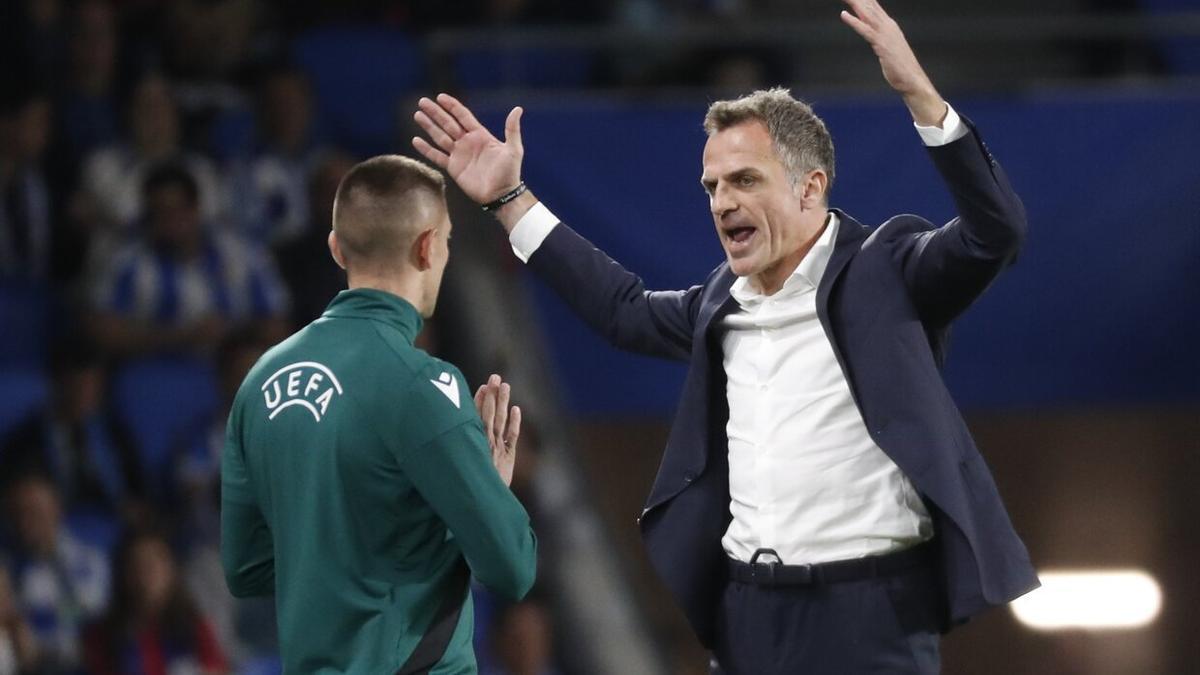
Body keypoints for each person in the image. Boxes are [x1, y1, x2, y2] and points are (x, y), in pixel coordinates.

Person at [411, 0, 1038, 671]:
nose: (721, 202)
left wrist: (921, 96)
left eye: (744, 180)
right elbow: (622, 308)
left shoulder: (887, 270)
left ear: (810, 189)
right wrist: (511, 202)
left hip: (872, 614)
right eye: (712, 185)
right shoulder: (719, 300)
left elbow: (993, 232)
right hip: (748, 614)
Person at [221, 155, 537, 673]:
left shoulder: (259, 382)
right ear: (428, 246)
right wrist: (485, 497)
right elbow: (513, 568)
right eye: (449, 241)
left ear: (336, 247)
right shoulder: (422, 384)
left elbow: (246, 569)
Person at [86, 162, 290, 358]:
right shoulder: (128, 262)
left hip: (236, 366)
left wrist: (229, 335)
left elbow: (277, 324)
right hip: (157, 370)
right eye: (159, 212)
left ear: (195, 208)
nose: (170, 221)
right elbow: (103, 332)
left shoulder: (242, 254)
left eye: (177, 210)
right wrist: (183, 337)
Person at [1, 474, 109, 673]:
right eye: (17, 514)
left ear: (55, 508)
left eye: (34, 512)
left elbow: (93, 610)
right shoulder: (8, 568)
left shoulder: (89, 559)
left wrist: (50, 613)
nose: (26, 523)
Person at [82, 529, 227, 675]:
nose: (148, 574)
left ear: (171, 570)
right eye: (138, 565)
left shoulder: (197, 629)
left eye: (156, 563)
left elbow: (216, 669)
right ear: (124, 575)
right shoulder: (102, 636)